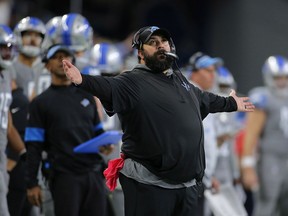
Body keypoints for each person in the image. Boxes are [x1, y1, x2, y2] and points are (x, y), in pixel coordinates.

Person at [63, 26, 254, 216]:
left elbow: (204, 99)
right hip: (150, 185)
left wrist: (230, 103)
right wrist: (82, 80)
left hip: (185, 186)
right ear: (140, 53)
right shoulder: (131, 81)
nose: (161, 46)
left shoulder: (180, 80)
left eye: (164, 42)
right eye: (153, 43)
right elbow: (106, 85)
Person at [24, 44, 113, 216]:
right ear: (46, 65)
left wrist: (105, 144)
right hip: (64, 176)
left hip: (93, 173)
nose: (62, 61)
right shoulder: (39, 103)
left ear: (73, 63)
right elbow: (33, 147)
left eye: (67, 57)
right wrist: (31, 183)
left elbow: (98, 131)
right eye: (56, 57)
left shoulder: (87, 96)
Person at [241, 55, 288, 216]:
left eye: (285, 77)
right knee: (268, 203)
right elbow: (251, 133)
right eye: (277, 77)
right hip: (270, 159)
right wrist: (247, 166)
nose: (281, 81)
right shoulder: (263, 97)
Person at [0, 24, 26, 216]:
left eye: (10, 47)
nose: (7, 52)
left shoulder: (6, 74)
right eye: (3, 47)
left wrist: (23, 152)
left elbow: (7, 123)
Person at [13, 16, 46, 100]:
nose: (33, 39)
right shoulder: (10, 66)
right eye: (28, 35)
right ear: (18, 37)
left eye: (37, 35)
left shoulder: (48, 67)